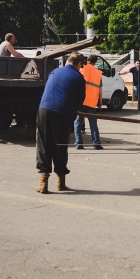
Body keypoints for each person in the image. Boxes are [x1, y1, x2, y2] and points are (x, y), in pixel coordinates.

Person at [34, 52, 86, 194]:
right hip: (62, 112)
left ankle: (43, 182)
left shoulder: (54, 72)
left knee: (43, 144)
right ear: (79, 64)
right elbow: (80, 99)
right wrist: (72, 113)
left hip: (44, 109)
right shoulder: (78, 77)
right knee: (60, 146)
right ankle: (60, 182)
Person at [73, 54, 103, 150]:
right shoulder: (98, 73)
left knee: (77, 122)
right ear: (95, 62)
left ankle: (79, 143)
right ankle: (96, 143)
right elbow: (100, 89)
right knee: (93, 123)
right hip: (91, 102)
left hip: (80, 101)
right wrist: (100, 102)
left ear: (87, 60)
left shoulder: (80, 70)